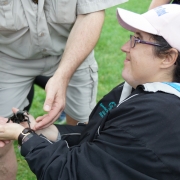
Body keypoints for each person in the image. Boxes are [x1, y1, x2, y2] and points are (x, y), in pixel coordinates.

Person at [1, 3, 180, 180]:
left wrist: (23, 136)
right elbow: (101, 137)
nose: (124, 47)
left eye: (137, 40)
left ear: (168, 57)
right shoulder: (143, 92)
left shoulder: (155, 116)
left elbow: (71, 173)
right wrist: (45, 132)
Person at [0, 0, 128, 179]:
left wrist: (63, 76)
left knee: (86, 133)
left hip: (73, 50)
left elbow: (91, 13)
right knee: (0, 140)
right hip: (8, 56)